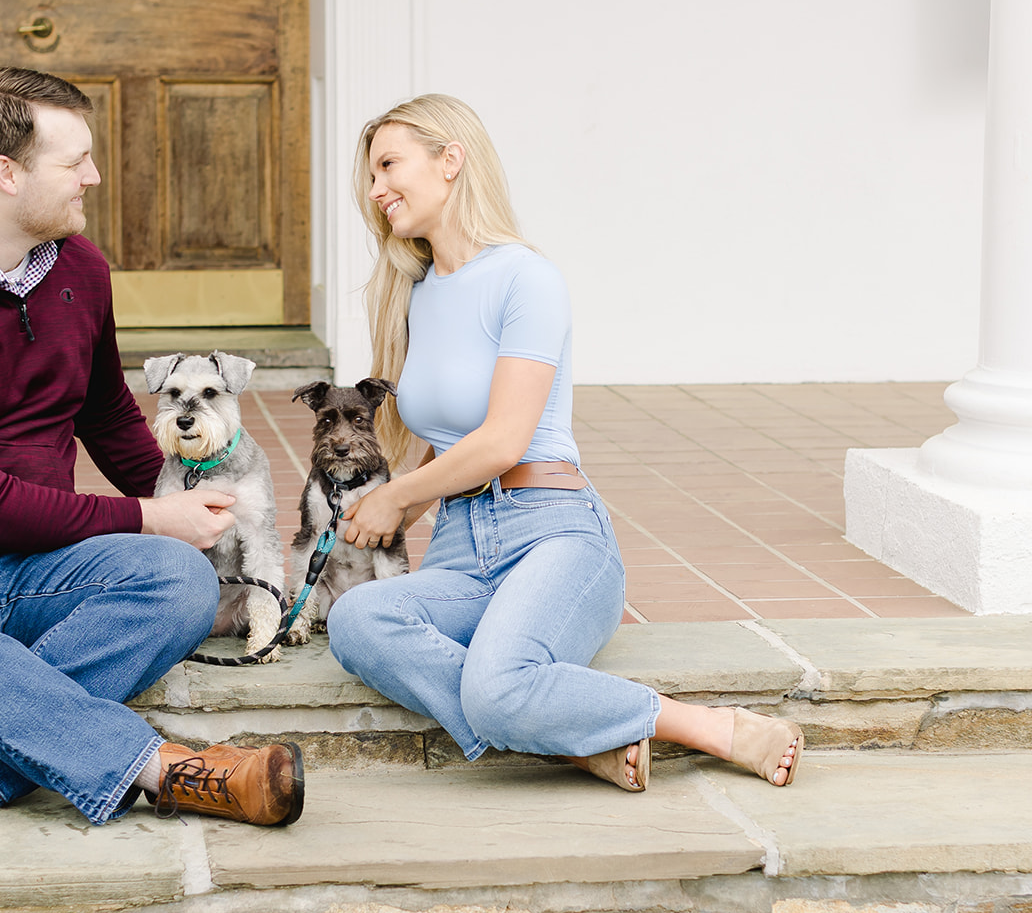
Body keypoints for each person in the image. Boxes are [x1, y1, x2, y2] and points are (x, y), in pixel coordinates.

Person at [0, 66, 303, 829]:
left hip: (40, 559)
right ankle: (159, 768)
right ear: (6, 173)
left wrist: (199, 504)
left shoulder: (81, 271)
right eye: (75, 162)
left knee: (178, 583)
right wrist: (146, 515)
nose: (93, 177)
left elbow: (107, 418)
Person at [325, 94, 801, 792]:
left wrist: (396, 497)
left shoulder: (527, 278)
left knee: (495, 687)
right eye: (371, 176)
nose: (376, 190)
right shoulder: (418, 294)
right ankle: (574, 743)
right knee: (358, 619)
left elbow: (503, 439)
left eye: (389, 165)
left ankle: (713, 726)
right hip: (462, 548)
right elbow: (451, 437)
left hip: (553, 530)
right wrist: (395, 512)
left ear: (451, 160)